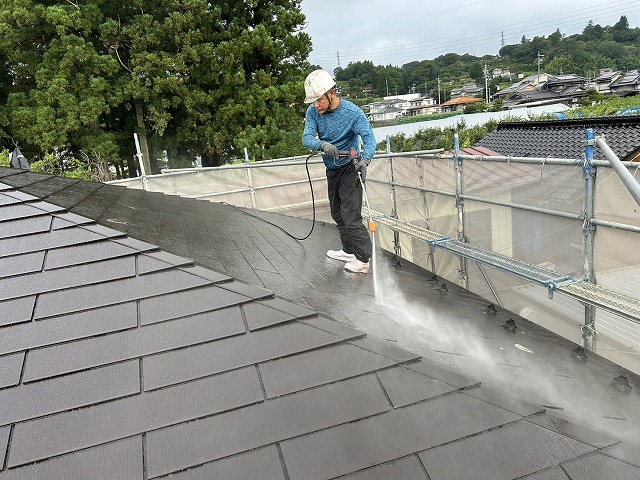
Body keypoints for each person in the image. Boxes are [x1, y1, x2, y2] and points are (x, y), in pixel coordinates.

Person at [302, 69, 375, 274]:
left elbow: (369, 139)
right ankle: (349, 251)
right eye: (313, 102)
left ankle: (363, 260)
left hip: (351, 168)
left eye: (318, 100)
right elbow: (307, 137)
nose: (315, 105)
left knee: (350, 215)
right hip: (332, 169)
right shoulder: (313, 112)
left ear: (331, 93)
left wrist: (366, 160)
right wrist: (323, 145)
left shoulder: (353, 113)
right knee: (337, 213)